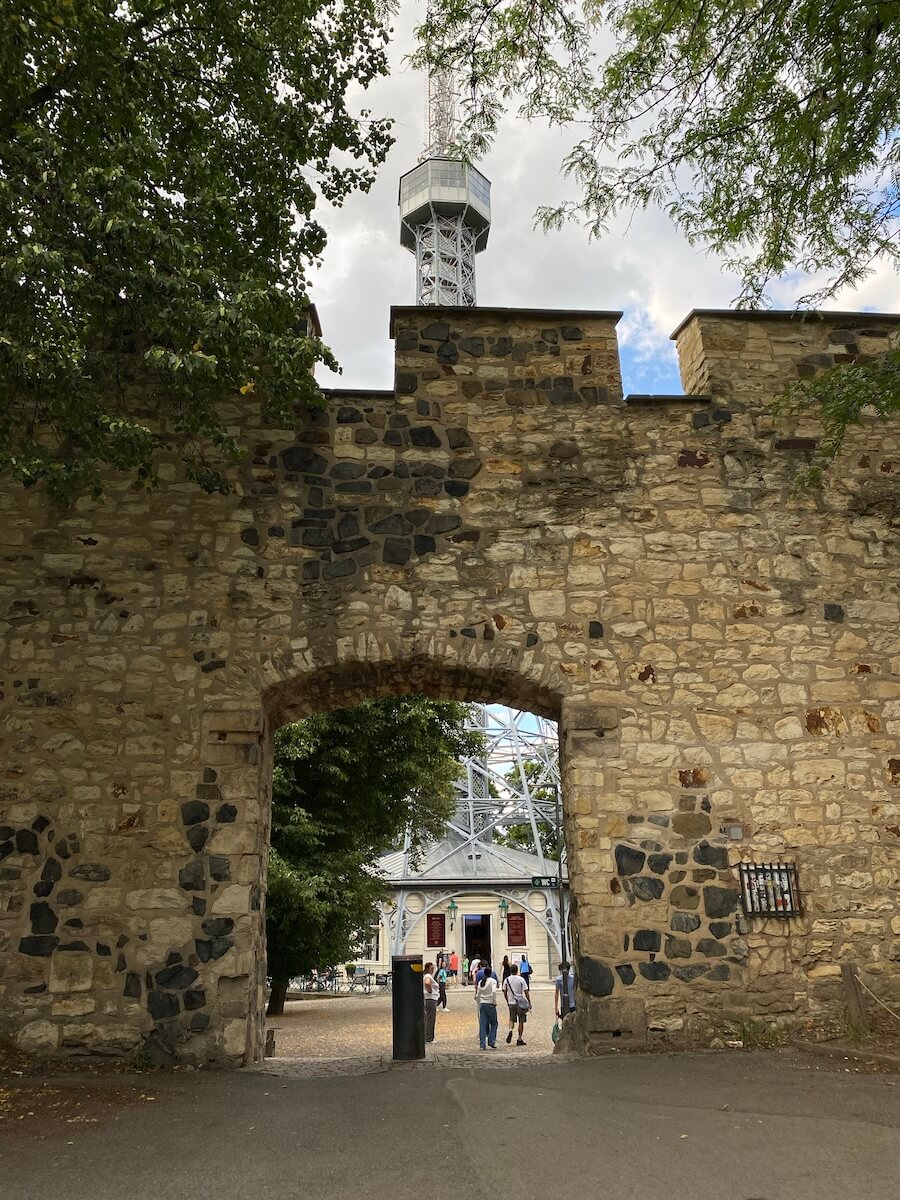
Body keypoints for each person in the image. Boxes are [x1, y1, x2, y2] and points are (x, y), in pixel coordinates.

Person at [503, 962, 530, 1046]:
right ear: (517, 970)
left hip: (511, 1002)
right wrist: (529, 1002)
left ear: (510, 971)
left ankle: (510, 1030)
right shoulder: (521, 979)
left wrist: (507, 1000)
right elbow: (526, 992)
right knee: (521, 1021)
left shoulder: (506, 980)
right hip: (520, 1002)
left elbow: (504, 991)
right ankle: (519, 1038)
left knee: (511, 1019)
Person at [475, 962, 499, 1049]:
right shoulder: (493, 981)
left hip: (482, 1004)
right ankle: (491, 1040)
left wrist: (478, 1003)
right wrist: (494, 1001)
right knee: (494, 1023)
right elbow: (494, 992)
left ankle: (482, 1043)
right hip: (490, 1004)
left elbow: (478, 994)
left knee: (482, 1024)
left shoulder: (481, 982)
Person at [423, 961, 438, 1043]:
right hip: (430, 998)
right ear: (428, 968)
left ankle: (427, 1036)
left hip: (428, 998)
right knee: (430, 1018)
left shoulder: (426, 975)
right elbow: (427, 983)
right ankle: (429, 1037)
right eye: (432, 968)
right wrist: (430, 990)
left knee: (428, 1018)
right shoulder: (428, 976)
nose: (433, 970)